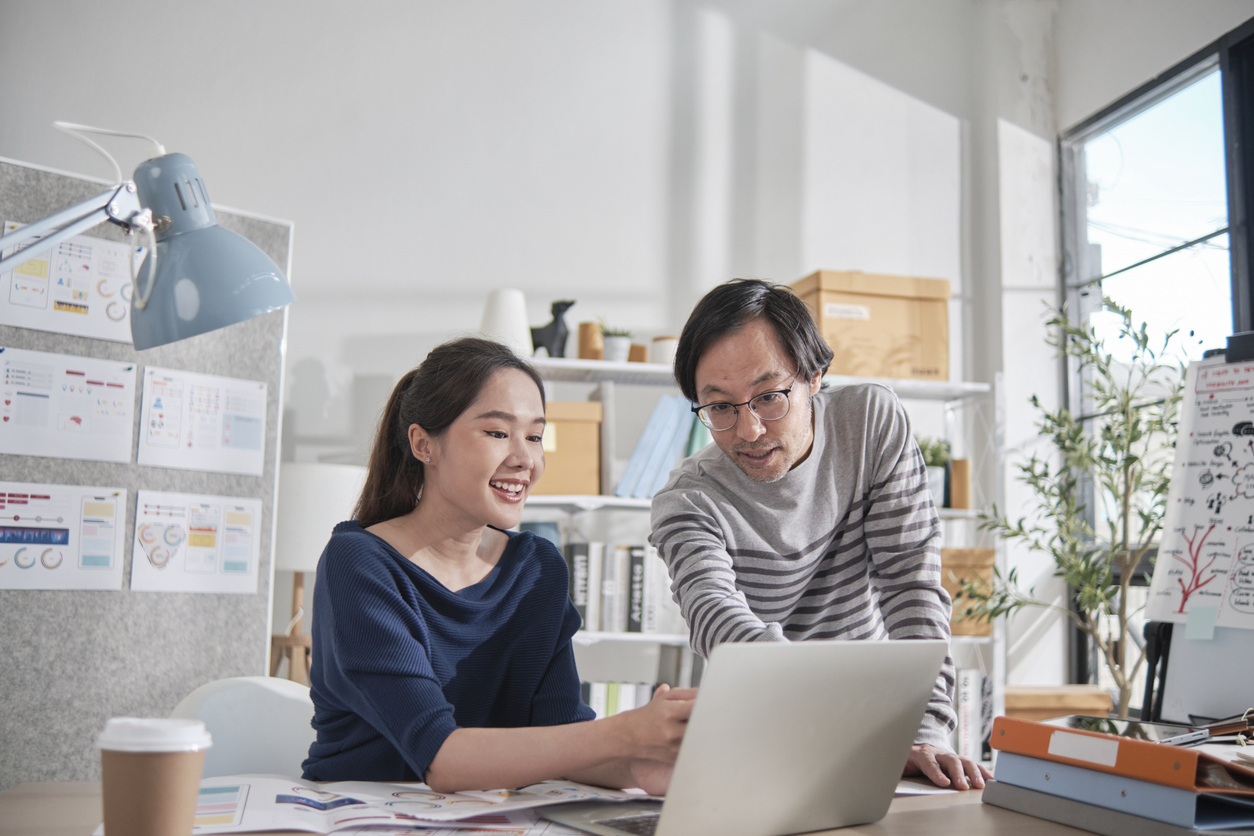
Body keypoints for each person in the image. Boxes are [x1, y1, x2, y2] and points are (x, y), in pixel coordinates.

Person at [302, 336, 695, 793]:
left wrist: (636, 767)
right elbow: (440, 758)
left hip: (480, 818)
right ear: (424, 444)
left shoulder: (536, 569)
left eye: (534, 436)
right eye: (497, 433)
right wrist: (624, 733)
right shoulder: (360, 565)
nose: (525, 458)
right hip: (358, 817)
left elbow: (561, 732)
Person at [649, 279, 993, 790]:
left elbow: (910, 585)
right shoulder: (688, 498)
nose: (749, 431)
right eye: (720, 407)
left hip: (882, 722)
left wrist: (926, 732)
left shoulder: (871, 423)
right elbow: (715, 616)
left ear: (814, 376)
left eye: (768, 397)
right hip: (762, 730)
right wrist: (827, 722)